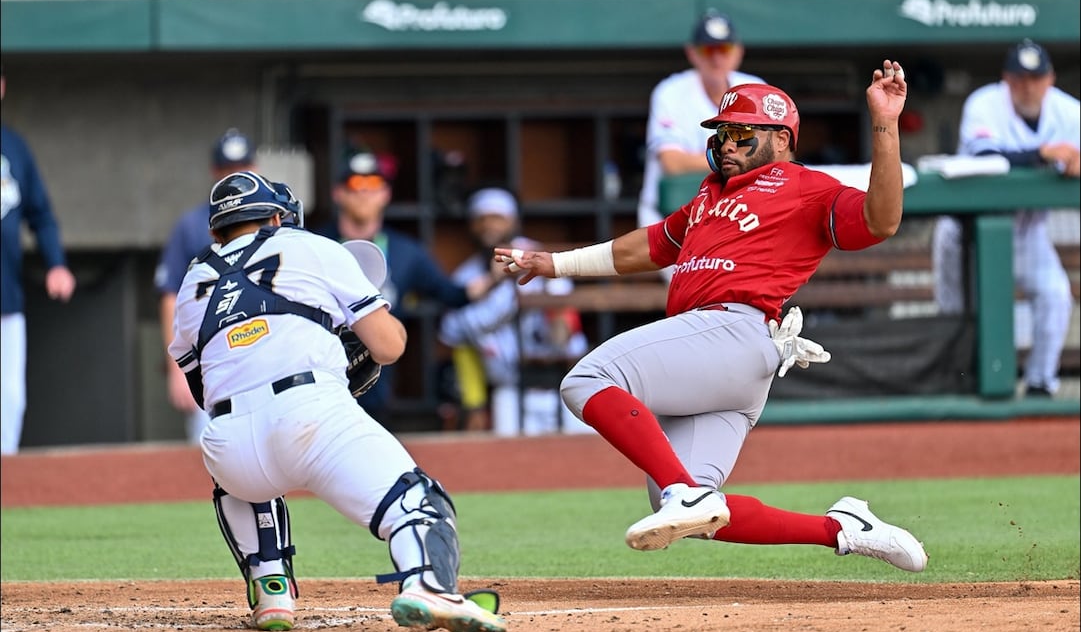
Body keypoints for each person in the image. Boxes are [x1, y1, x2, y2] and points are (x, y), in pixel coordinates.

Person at [494, 62, 929, 572]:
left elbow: (883, 220)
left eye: (743, 133)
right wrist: (556, 263)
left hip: (735, 328)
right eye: (723, 132)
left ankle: (685, 490)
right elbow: (652, 245)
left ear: (782, 139)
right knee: (687, 511)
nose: (727, 144)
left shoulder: (805, 186)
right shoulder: (708, 193)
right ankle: (843, 530)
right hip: (722, 358)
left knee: (588, 379)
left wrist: (884, 123)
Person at [167, 170, 507, 632]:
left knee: (240, 475)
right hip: (310, 414)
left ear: (215, 231)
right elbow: (388, 347)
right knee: (420, 501)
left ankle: (270, 589)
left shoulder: (191, 280)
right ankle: (428, 585)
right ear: (275, 218)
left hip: (229, 447)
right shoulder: (311, 245)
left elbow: (203, 391)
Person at [931, 39, 1079, 398]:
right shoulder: (984, 103)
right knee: (959, 312)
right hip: (967, 234)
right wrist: (1042, 154)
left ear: (1051, 79)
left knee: (1056, 295)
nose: (1028, 86)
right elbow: (986, 155)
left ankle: (1041, 384)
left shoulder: (1070, 112)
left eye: (1036, 77)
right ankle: (961, 383)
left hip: (1029, 232)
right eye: (1020, 78)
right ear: (1006, 79)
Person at [313, 147, 496, 426]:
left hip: (374, 384)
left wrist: (496, 276)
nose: (364, 192)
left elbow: (452, 294)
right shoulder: (313, 245)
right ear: (339, 193)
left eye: (373, 184)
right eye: (355, 184)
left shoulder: (407, 251)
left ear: (385, 194)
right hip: (317, 376)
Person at [438, 187, 591, 435]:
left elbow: (562, 331)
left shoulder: (539, 258)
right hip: (509, 389)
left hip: (562, 384)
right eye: (482, 219)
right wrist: (497, 284)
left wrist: (515, 290)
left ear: (514, 220)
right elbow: (452, 331)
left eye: (497, 217)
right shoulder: (469, 275)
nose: (489, 225)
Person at [155, 128, 258, 443]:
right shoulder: (193, 224)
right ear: (216, 173)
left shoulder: (274, 221)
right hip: (210, 358)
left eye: (243, 168)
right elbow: (170, 296)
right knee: (210, 450)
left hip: (260, 352)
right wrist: (178, 369)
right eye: (229, 170)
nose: (236, 176)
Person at [637, 10, 765, 249]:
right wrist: (743, 159)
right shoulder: (671, 92)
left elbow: (775, 159)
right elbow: (672, 163)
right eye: (708, 51)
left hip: (738, 220)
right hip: (669, 221)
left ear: (738, 51)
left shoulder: (756, 89)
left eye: (724, 50)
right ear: (692, 53)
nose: (717, 59)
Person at [1, 66, 77, 455]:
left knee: (10, 399)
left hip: (7, 299)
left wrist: (57, 263)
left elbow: (41, 215)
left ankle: (7, 484)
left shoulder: (13, 148)